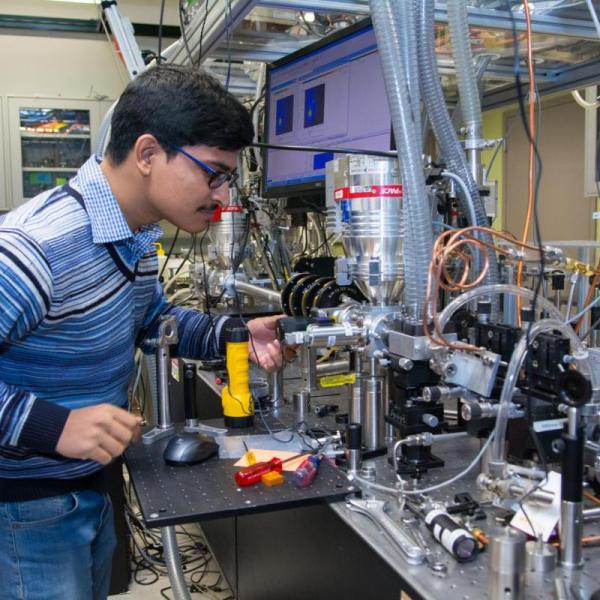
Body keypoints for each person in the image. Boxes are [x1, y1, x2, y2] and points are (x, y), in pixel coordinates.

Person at [0, 64, 284, 600]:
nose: (222, 194)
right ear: (149, 154)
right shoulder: (37, 248)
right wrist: (53, 426)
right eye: (213, 172)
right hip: (23, 509)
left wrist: (237, 332)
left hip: (85, 489)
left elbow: (155, 322)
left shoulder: (131, 236)